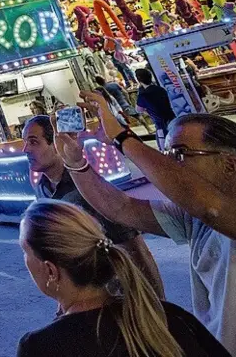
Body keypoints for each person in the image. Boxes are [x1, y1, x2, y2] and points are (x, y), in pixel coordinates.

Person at [60, 89, 236, 356]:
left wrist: (121, 137)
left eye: (180, 153)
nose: (169, 163)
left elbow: (212, 209)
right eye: (167, 153)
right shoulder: (196, 218)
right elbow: (119, 207)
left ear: (230, 165)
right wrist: (76, 163)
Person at [16, 199, 230, 357]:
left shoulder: (41, 348)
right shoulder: (167, 317)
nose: (24, 260)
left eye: (25, 251)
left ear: (51, 271)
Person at [21, 115, 164, 299]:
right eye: (25, 142)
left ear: (56, 144)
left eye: (33, 142)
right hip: (85, 295)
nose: (25, 149)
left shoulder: (87, 188)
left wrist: (156, 302)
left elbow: (134, 248)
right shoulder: (42, 188)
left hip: (117, 293)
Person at [133, 68, 176, 144]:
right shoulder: (160, 89)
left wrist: (147, 110)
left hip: (160, 124)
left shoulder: (143, 95)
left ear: (138, 80)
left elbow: (138, 109)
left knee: (164, 144)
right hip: (171, 118)